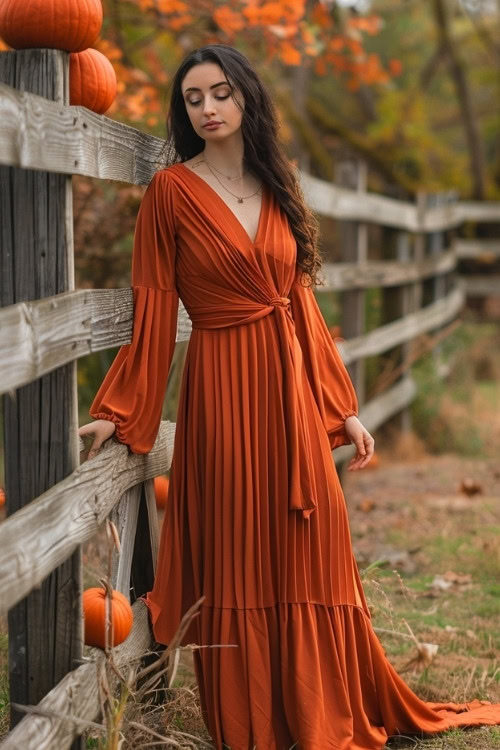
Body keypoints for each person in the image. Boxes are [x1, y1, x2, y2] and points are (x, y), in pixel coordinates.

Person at [78, 44, 500, 750]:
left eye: (219, 94)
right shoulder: (170, 195)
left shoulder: (279, 183)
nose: (208, 109)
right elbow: (153, 309)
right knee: (241, 552)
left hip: (291, 398)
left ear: (246, 98)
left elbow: (300, 306)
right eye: (192, 99)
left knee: (314, 543)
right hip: (222, 390)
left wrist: (342, 408)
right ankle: (257, 725)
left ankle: (328, 707)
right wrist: (120, 412)